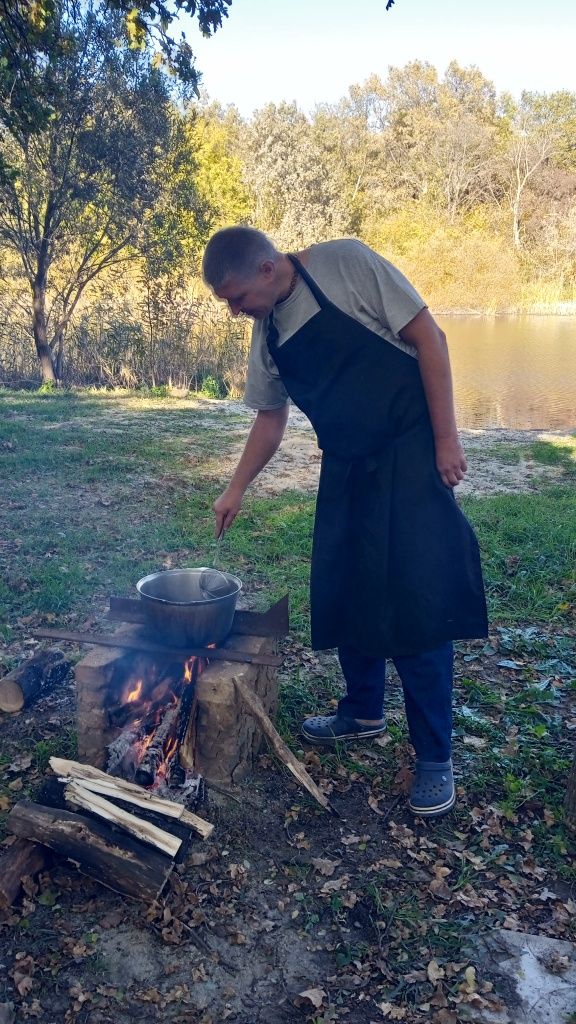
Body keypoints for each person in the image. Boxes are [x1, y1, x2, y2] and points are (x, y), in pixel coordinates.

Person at [202, 226, 488, 818]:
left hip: (410, 452)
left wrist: (446, 441)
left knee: (418, 605)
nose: (234, 312)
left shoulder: (346, 266)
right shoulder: (269, 333)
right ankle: (362, 710)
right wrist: (235, 488)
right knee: (347, 587)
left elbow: (429, 339)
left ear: (265, 268)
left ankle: (435, 755)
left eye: (234, 298)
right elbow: (270, 420)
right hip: (347, 467)